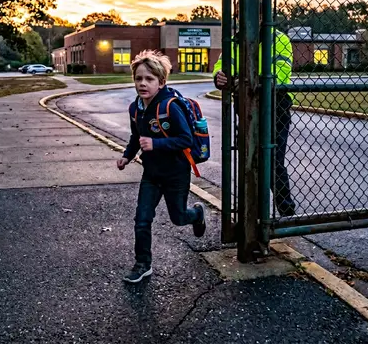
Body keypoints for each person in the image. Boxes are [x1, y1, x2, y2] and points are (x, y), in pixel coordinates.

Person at [117, 50, 206, 284]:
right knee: (142, 219)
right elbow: (136, 136)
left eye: (149, 79)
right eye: (138, 78)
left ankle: (196, 214)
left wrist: (156, 143)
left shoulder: (170, 106)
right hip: (151, 175)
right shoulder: (135, 108)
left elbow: (186, 139)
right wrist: (127, 156)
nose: (143, 84)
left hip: (176, 174)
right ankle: (142, 264)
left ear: (161, 82)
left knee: (178, 218)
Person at [212, 29, 296, 217]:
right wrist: (220, 75)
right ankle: (251, 212)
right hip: (246, 106)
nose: (239, 17)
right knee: (248, 156)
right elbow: (223, 66)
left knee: (273, 157)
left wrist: (245, 83)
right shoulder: (234, 41)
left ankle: (285, 209)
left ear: (259, 15)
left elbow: (279, 74)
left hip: (275, 105)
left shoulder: (278, 39)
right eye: (236, 13)